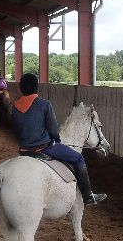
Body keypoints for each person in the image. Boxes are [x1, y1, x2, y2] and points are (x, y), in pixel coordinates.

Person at [11, 73, 106, 205]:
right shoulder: (44, 104)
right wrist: (56, 140)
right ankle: (88, 196)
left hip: (24, 149)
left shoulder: (15, 107)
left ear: (21, 88)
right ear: (36, 87)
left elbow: (16, 129)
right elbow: (53, 129)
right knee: (78, 158)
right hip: (44, 148)